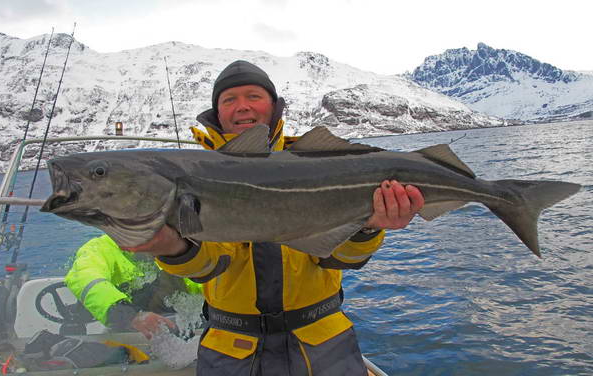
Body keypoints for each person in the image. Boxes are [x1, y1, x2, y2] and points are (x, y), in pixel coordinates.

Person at [123, 60, 425, 375]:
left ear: (273, 105)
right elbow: (210, 265)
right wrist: (171, 248)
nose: (241, 107)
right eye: (229, 100)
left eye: (253, 96)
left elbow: (338, 258)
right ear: (217, 113)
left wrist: (367, 230)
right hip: (232, 348)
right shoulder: (190, 177)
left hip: (323, 343)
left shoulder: (320, 162)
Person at [65, 234, 202, 339]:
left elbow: (199, 280)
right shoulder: (99, 248)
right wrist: (129, 315)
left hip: (181, 330)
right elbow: (86, 279)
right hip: (130, 335)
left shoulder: (169, 245)